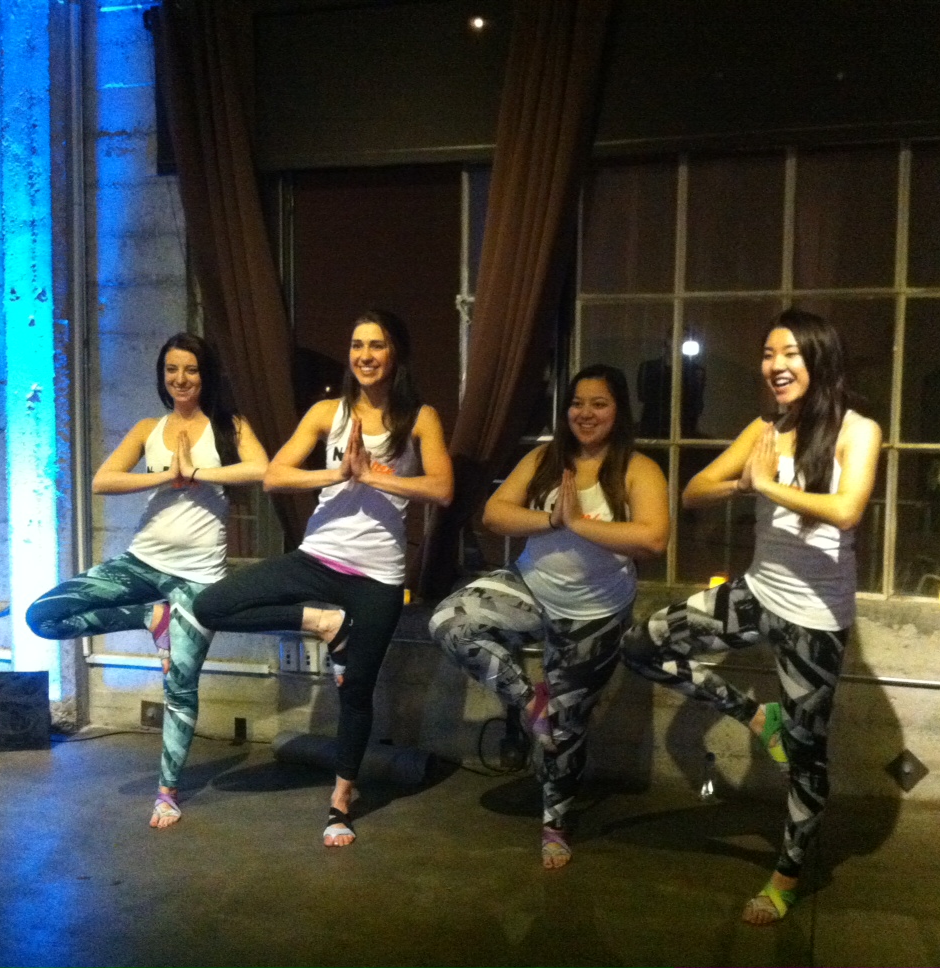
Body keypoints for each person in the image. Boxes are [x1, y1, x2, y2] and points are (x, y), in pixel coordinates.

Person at [623, 309, 882, 924]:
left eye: (789, 353)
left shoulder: (857, 430)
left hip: (816, 617)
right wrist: (745, 482)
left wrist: (764, 485)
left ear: (819, 359)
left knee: (806, 754)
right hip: (757, 593)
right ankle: (757, 715)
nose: (775, 366)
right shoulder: (765, 429)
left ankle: (787, 873)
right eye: (768, 354)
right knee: (641, 644)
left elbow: (847, 510)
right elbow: (694, 492)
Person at [191, 310, 453, 847]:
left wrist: (374, 476)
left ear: (395, 354)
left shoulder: (419, 418)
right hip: (316, 557)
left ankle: (340, 801)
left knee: (356, 692)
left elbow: (442, 489)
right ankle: (324, 623)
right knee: (210, 606)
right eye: (357, 345)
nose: (365, 356)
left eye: (376, 345)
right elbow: (274, 476)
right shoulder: (326, 413)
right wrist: (336, 473)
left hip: (378, 576)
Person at [430, 364, 669, 869]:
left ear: (619, 411)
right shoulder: (545, 459)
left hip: (595, 613)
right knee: (449, 622)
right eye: (577, 403)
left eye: (599, 403)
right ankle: (529, 702)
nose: (585, 413)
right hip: (530, 587)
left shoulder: (638, 468)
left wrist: (578, 523)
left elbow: (652, 539)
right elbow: (494, 514)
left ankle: (555, 822)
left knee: (566, 731)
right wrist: (553, 520)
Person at [25, 333, 268, 830]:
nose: (181, 379)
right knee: (43, 617)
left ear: (206, 375)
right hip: (142, 561)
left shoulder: (230, 427)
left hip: (199, 577)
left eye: (191, 369)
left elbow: (262, 469)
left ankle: (167, 793)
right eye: (172, 369)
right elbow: (103, 480)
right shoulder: (147, 429)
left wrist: (197, 471)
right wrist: (165, 477)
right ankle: (147, 616)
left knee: (180, 687)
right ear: (162, 375)